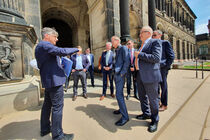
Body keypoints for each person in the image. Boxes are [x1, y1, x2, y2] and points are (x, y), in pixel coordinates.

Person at [35, 27, 78, 140]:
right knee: (57, 107)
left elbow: (48, 63)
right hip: (54, 81)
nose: (57, 39)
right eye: (55, 36)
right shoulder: (45, 45)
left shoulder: (40, 47)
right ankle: (58, 135)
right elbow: (61, 51)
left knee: (47, 106)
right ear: (47, 36)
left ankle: (45, 129)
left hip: (49, 80)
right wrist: (76, 49)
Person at [134, 26, 162, 133]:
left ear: (148, 33)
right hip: (140, 74)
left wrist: (139, 54)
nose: (139, 34)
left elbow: (156, 58)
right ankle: (146, 113)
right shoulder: (142, 45)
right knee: (142, 96)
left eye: (142, 32)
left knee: (153, 99)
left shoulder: (155, 42)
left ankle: (155, 120)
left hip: (150, 76)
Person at [152, 30, 175, 111]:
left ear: (160, 35)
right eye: (152, 35)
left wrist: (166, 66)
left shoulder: (165, 43)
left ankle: (164, 104)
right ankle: (157, 101)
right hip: (154, 68)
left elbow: (171, 56)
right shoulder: (153, 44)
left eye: (154, 35)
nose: (153, 37)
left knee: (163, 86)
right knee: (156, 86)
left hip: (162, 69)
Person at [112, 36, 129, 126]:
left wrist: (122, 73)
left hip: (120, 75)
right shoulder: (115, 50)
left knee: (119, 95)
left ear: (117, 41)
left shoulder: (123, 48)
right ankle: (120, 109)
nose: (111, 43)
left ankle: (125, 117)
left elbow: (127, 61)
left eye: (112, 41)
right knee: (119, 94)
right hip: (115, 74)